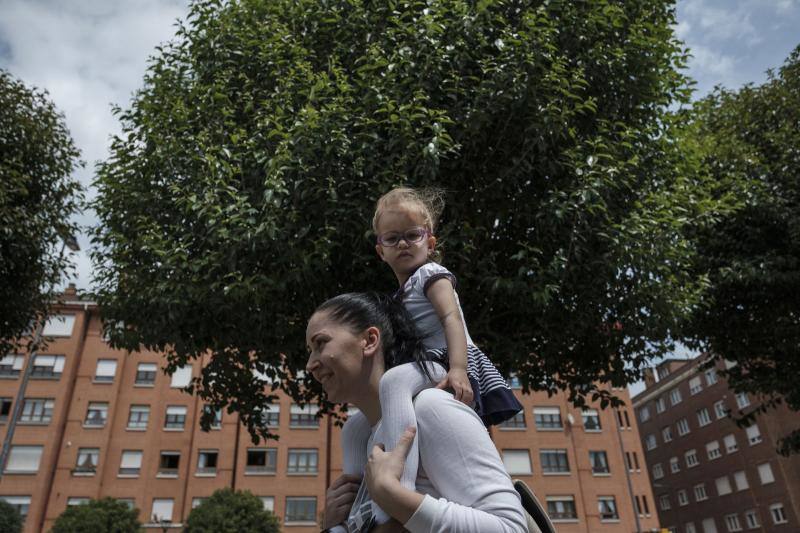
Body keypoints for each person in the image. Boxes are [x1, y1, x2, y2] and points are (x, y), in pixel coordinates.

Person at [341, 187, 523, 524]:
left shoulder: (431, 275)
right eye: (392, 238)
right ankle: (352, 510)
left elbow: (451, 319)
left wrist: (458, 368)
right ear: (380, 250)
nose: (404, 244)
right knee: (354, 425)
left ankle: (395, 490)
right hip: (426, 362)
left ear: (431, 242)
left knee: (394, 381)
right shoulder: (398, 295)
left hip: (448, 358)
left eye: (413, 235)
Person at [306, 292, 527, 532]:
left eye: (321, 344)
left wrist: (395, 497)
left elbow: (512, 528)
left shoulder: (431, 409)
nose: (310, 364)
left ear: (369, 340)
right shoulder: (363, 441)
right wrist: (332, 527)